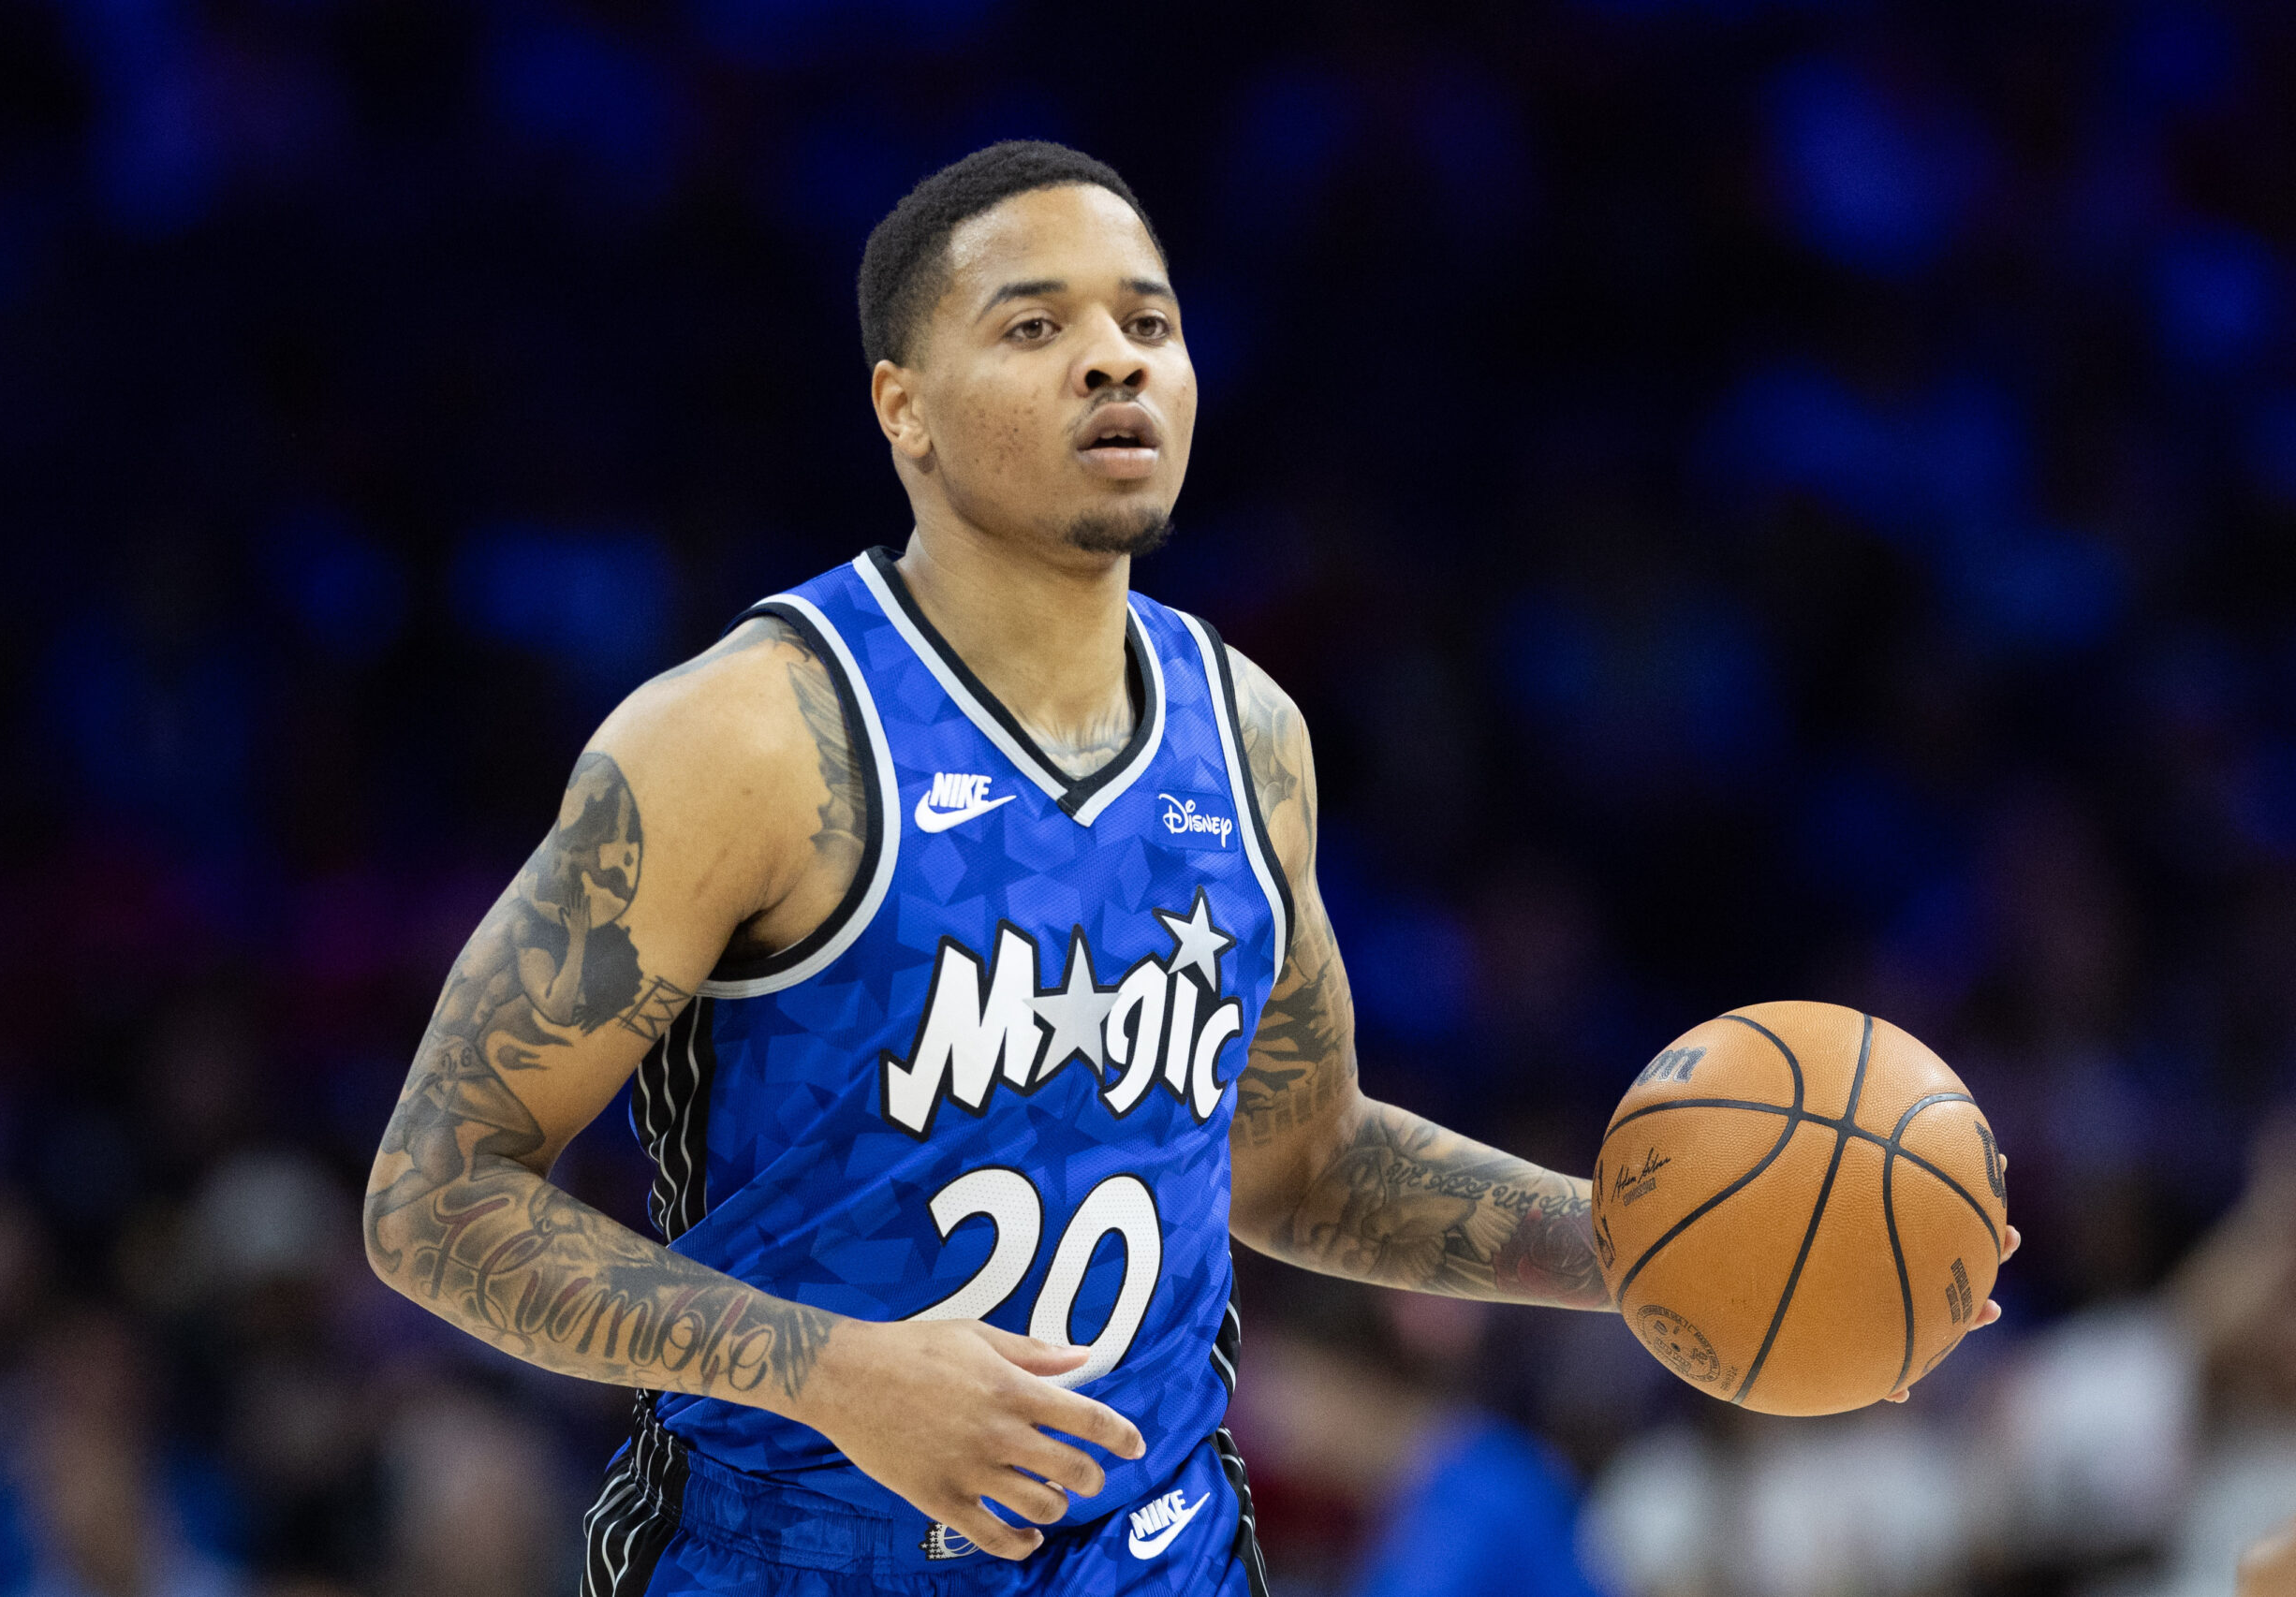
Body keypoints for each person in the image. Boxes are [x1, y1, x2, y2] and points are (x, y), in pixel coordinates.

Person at [360, 139, 2010, 1596]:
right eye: (1037, 325)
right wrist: (839, 1372)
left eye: (1147, 322)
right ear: (902, 408)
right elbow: (434, 1199)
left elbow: (1299, 1165)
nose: (1112, 363)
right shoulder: (751, 734)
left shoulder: (1247, 733)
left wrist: (1655, 1257)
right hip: (787, 1556)